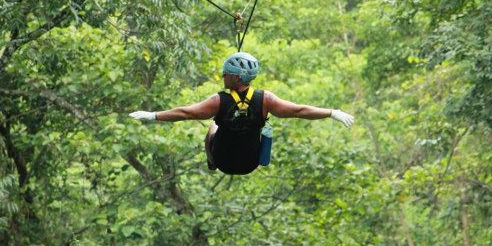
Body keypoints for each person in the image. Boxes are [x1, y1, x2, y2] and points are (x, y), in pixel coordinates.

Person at [129, 52, 354, 175]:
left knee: (212, 126)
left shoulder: (219, 101)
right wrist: (331, 112)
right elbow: (299, 110)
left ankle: (210, 162)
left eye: (226, 73)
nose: (223, 75)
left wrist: (153, 115)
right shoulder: (265, 99)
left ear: (236, 78)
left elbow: (186, 113)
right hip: (250, 164)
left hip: (223, 161)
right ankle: (217, 159)